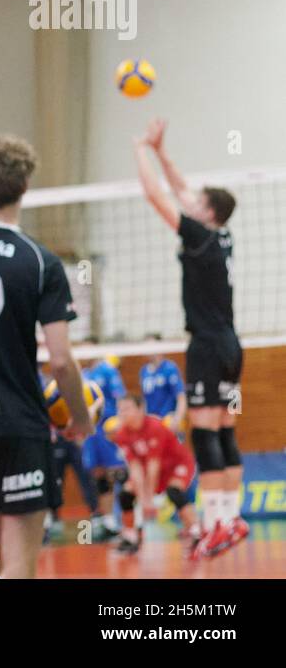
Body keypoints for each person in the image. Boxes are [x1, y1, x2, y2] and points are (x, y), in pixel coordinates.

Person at [0, 136, 92, 578]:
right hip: (18, 425)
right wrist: (81, 418)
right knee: (19, 569)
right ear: (24, 186)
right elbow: (60, 360)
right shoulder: (39, 261)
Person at [135, 117, 247, 557]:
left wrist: (140, 148)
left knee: (204, 437)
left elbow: (155, 195)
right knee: (223, 431)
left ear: (208, 212)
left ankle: (217, 522)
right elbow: (181, 190)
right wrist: (163, 152)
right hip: (230, 346)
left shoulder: (198, 234)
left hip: (205, 345)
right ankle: (231, 519)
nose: (190, 199)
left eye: (197, 201)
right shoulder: (221, 235)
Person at [109, 395, 200, 556]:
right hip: (146, 468)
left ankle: (196, 532)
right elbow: (135, 468)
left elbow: (154, 465)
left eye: (127, 408)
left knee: (174, 492)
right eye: (120, 409)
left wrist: (149, 499)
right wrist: (143, 499)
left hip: (177, 465)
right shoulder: (122, 434)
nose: (122, 413)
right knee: (125, 494)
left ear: (140, 409)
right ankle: (131, 536)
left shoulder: (154, 426)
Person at [80, 354, 127, 540]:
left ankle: (123, 520)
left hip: (108, 428)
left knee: (116, 472)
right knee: (98, 474)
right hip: (91, 431)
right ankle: (107, 521)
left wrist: (121, 424)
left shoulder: (108, 370)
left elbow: (120, 397)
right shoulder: (83, 373)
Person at [140, 351, 186, 431]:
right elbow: (144, 398)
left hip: (168, 420)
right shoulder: (144, 371)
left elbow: (181, 396)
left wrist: (177, 418)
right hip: (152, 422)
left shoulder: (170, 368)